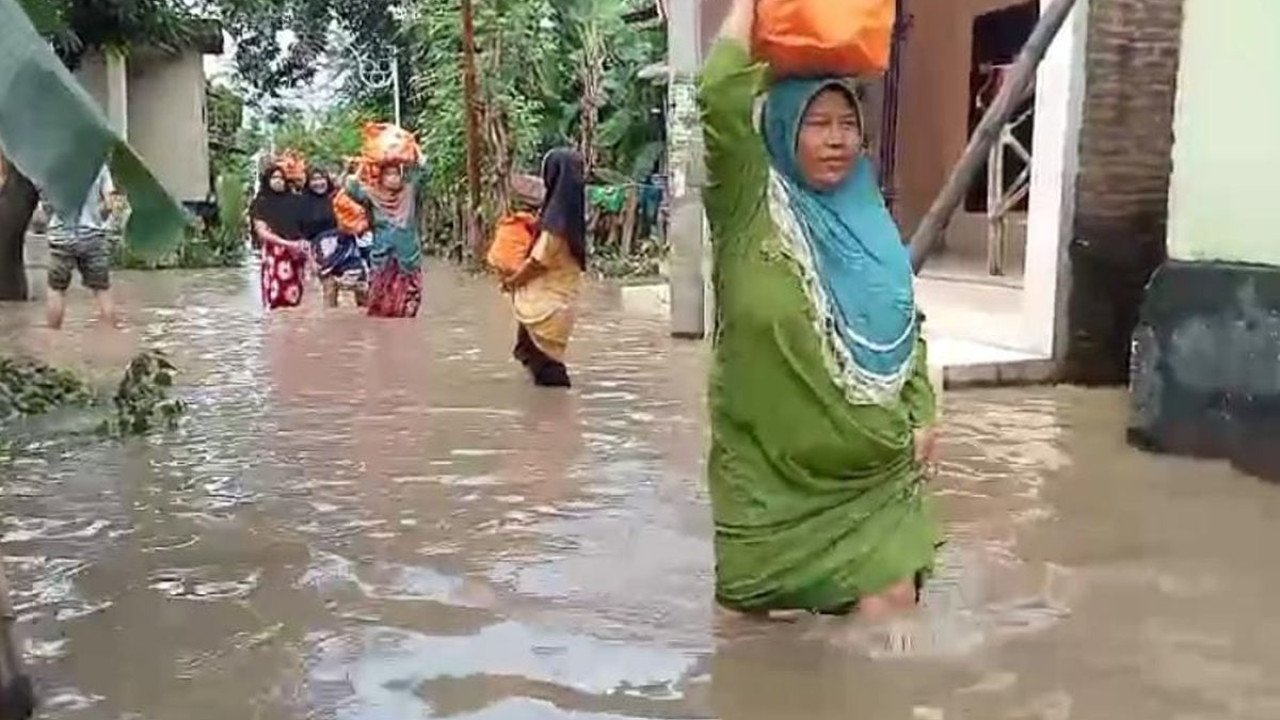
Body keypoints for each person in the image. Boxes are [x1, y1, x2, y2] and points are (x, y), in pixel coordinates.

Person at [699, 0, 940, 620]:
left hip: (875, 481)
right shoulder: (747, 202)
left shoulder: (868, 221)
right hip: (765, 481)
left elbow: (904, 325)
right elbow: (720, 94)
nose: (837, 139)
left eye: (847, 123)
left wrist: (924, 413)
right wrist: (754, 7)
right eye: (817, 123)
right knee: (747, 645)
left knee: (893, 634)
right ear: (782, 128)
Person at [503, 148, 587, 388]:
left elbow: (538, 262)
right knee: (534, 357)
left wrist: (512, 282)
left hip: (546, 307)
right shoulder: (573, 215)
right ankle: (547, 407)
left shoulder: (556, 223)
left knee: (548, 370)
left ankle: (555, 409)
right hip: (557, 301)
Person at [345, 162, 422, 318]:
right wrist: (363, 165)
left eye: (396, 174)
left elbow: (423, 174)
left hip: (408, 257)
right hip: (383, 257)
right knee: (380, 306)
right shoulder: (372, 195)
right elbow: (351, 188)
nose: (393, 178)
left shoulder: (409, 192)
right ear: (381, 178)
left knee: (408, 306)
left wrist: (416, 157)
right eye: (388, 174)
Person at [45, 166, 118, 329]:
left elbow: (48, 202)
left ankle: (53, 337)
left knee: (56, 289)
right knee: (102, 289)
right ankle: (112, 337)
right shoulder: (99, 166)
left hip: (62, 237)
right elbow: (110, 204)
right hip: (93, 236)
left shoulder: (56, 164)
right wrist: (98, 217)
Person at [251, 165, 309, 310]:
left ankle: (292, 324)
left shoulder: (295, 201)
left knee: (295, 295)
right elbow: (262, 231)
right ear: (267, 180)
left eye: (281, 178)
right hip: (275, 253)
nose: (278, 181)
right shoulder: (261, 203)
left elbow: (304, 225)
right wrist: (286, 243)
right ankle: (276, 323)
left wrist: (300, 245)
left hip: (296, 252)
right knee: (276, 295)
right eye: (274, 178)